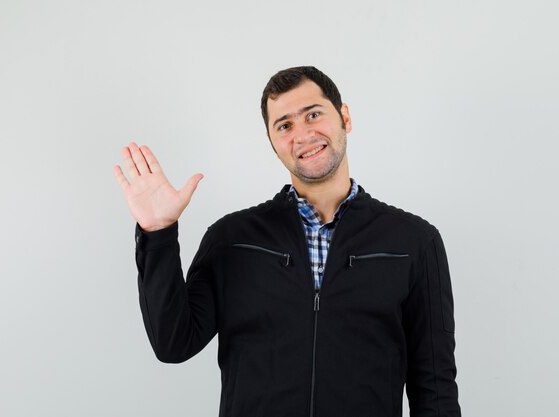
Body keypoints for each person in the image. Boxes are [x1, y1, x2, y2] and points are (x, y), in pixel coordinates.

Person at [114, 66, 461, 417]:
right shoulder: (232, 241)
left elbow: (435, 389)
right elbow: (173, 343)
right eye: (285, 125)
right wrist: (157, 233)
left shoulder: (414, 242)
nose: (303, 134)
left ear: (344, 117)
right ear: (272, 142)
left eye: (313, 114)